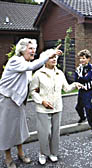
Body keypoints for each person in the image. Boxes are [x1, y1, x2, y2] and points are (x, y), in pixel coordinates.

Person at [0, 38, 61, 168]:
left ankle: (21, 154)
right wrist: (49, 54)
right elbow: (34, 65)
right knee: (7, 130)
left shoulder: (26, 63)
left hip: (18, 101)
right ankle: (8, 158)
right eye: (30, 48)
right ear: (22, 49)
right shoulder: (16, 61)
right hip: (7, 99)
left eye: (34, 48)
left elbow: (26, 81)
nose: (33, 51)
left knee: (19, 129)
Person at [29, 50, 84, 165]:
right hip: (43, 108)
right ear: (45, 60)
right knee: (44, 133)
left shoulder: (60, 73)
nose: (54, 59)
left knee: (55, 132)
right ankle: (43, 153)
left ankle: (53, 153)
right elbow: (33, 91)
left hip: (57, 107)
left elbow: (66, 88)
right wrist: (42, 101)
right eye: (51, 57)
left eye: (55, 57)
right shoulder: (38, 74)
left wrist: (75, 85)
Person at [74, 49, 92, 135]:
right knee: (78, 107)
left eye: (84, 58)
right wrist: (81, 79)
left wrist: (81, 79)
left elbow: (87, 78)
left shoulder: (91, 68)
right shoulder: (78, 68)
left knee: (89, 108)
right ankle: (82, 117)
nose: (82, 60)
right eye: (80, 58)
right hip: (81, 91)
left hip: (89, 91)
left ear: (88, 59)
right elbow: (76, 79)